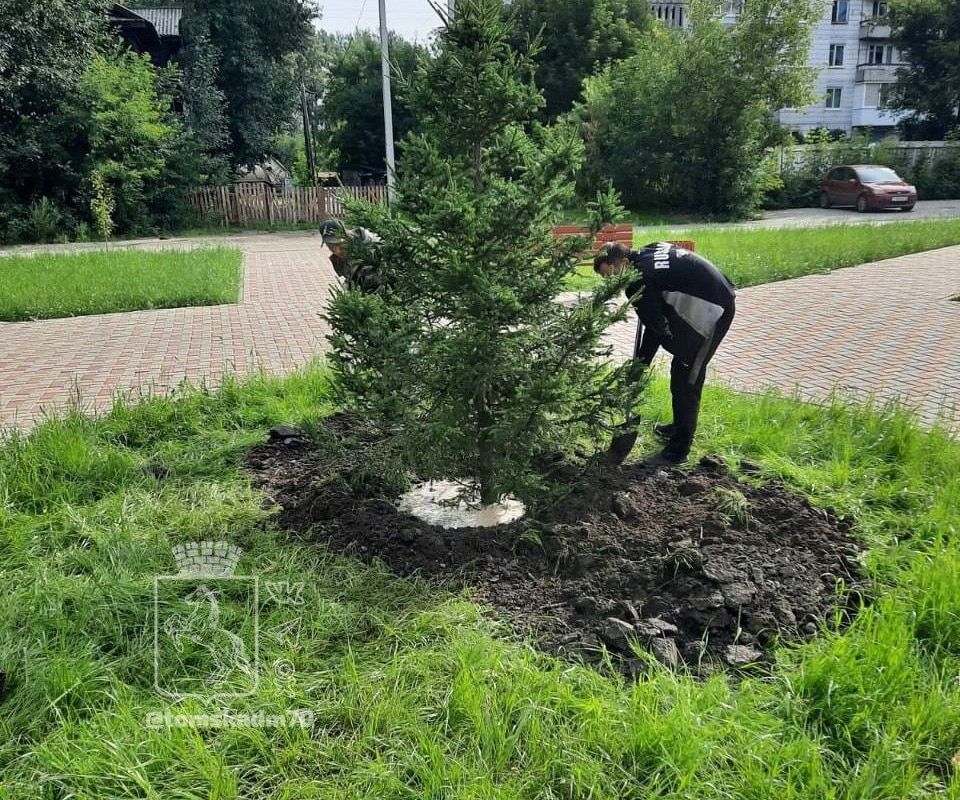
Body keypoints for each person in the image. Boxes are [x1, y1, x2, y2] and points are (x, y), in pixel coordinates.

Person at [594, 241, 737, 464]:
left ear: (623, 262)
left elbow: (657, 329)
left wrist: (639, 368)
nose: (613, 283)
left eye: (612, 274)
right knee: (680, 366)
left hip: (715, 309)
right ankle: (678, 427)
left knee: (687, 375)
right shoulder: (646, 252)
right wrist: (641, 365)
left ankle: (678, 451)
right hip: (716, 292)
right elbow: (655, 323)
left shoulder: (638, 280)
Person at [320, 219, 384, 294]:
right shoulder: (339, 259)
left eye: (338, 244)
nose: (337, 251)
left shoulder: (369, 246)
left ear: (345, 235)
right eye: (330, 246)